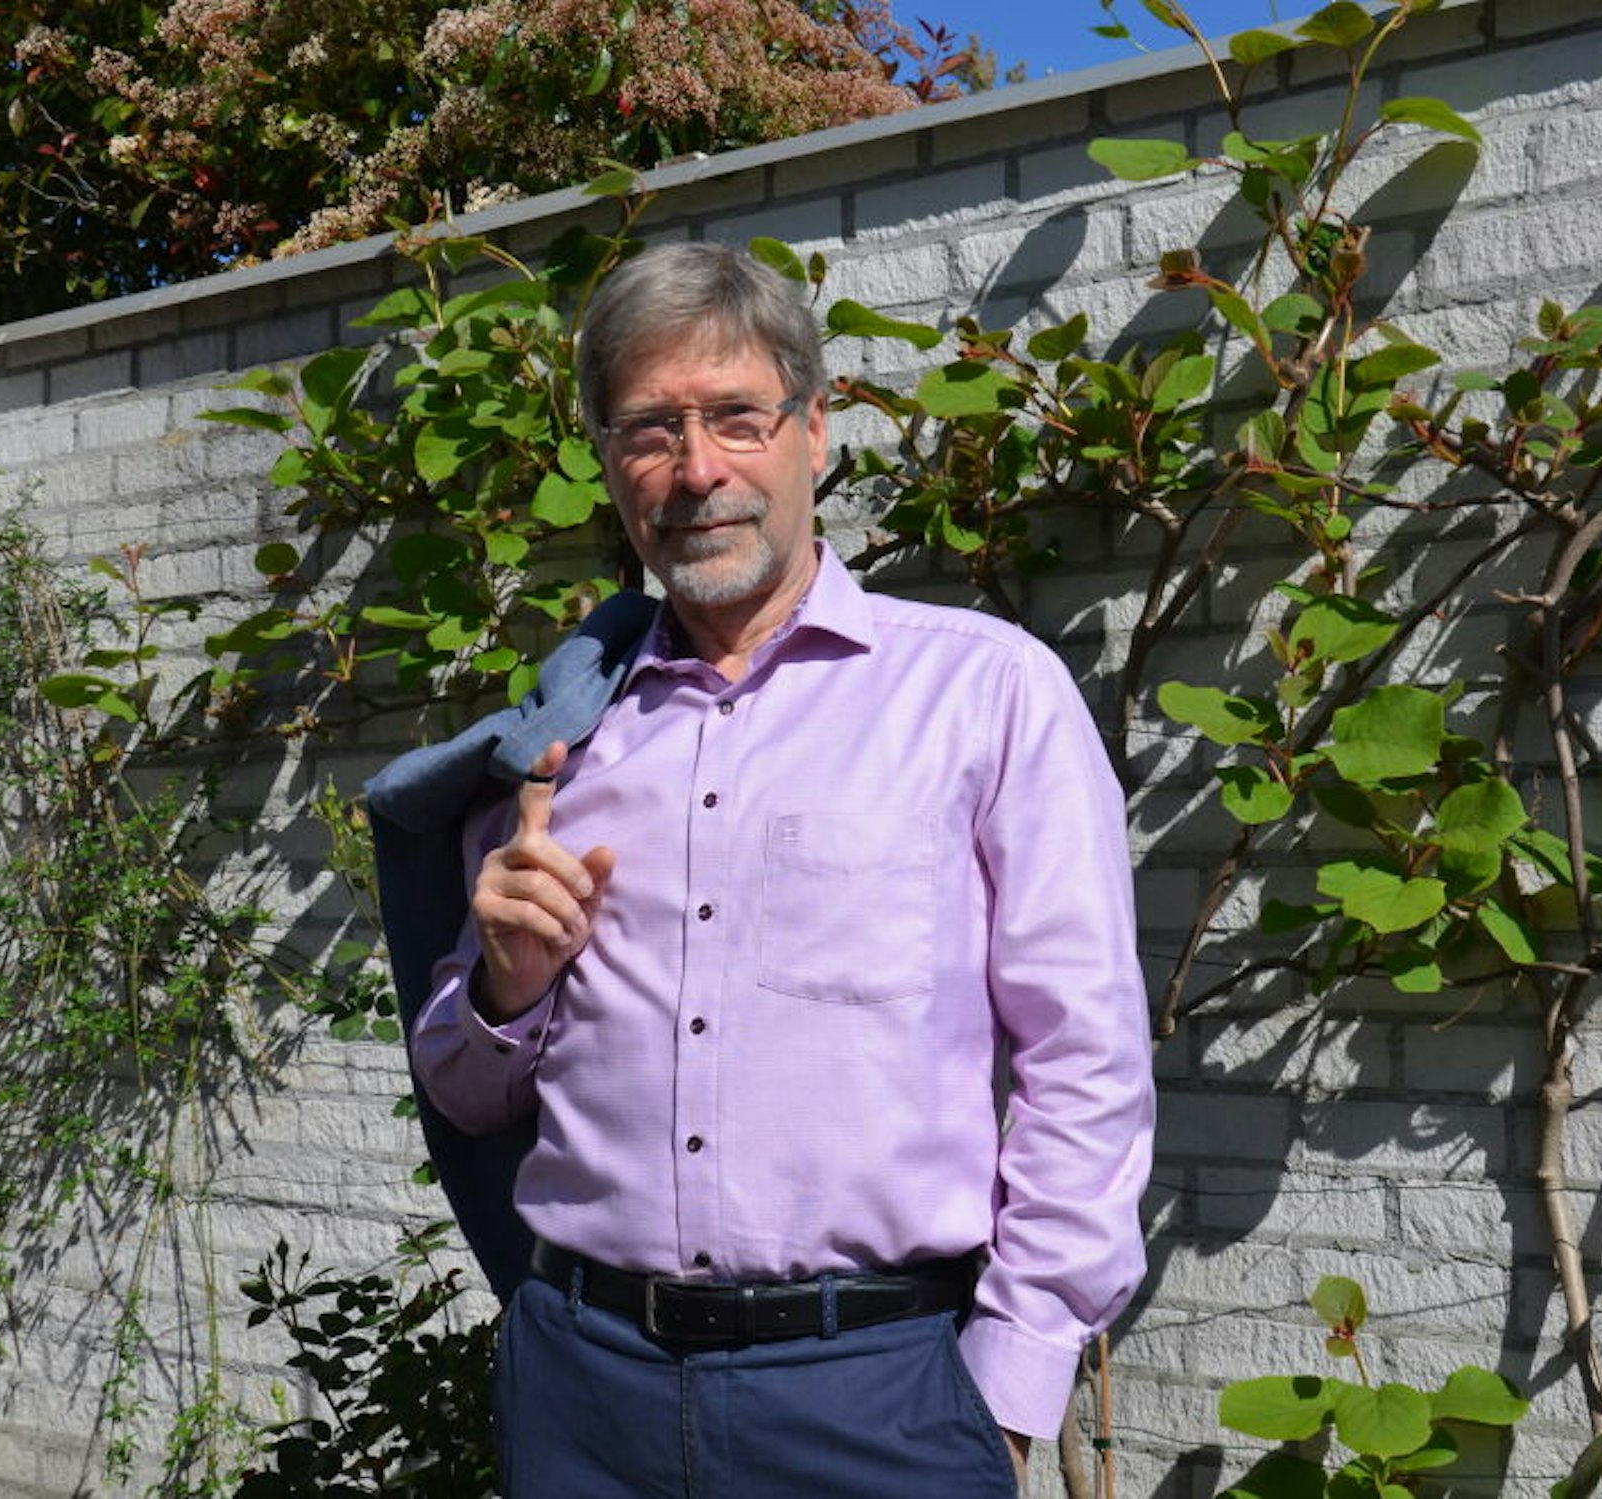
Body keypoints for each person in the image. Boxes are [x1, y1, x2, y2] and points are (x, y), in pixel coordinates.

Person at [408, 240, 1154, 1498]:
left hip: (876, 1397)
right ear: (608, 462)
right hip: (583, 1395)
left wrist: (1006, 1393)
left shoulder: (982, 694)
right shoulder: (557, 739)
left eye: (736, 418)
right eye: (650, 429)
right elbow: (463, 1090)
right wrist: (504, 990)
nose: (696, 468)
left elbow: (1085, 1061)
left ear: (813, 430)